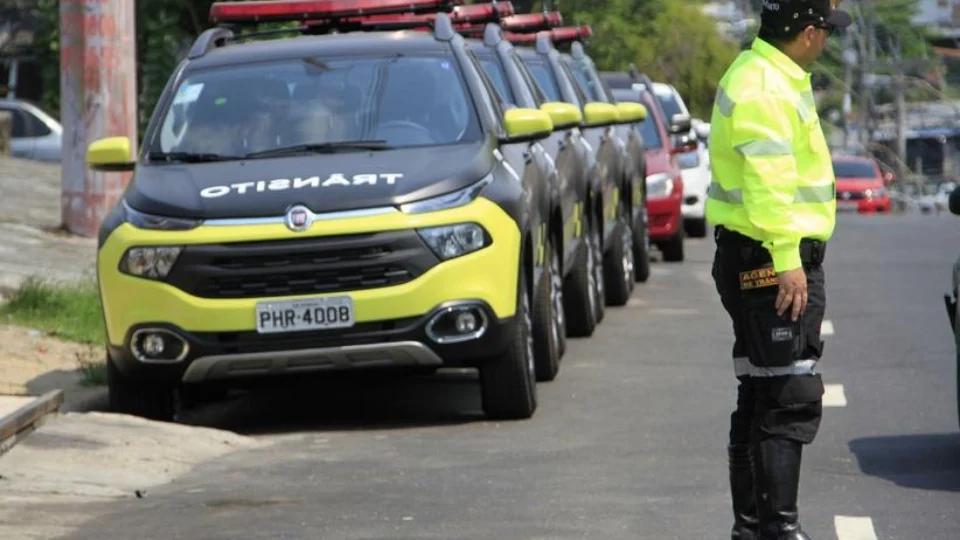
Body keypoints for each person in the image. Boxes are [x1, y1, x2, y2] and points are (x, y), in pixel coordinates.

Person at [705, 1, 851, 539]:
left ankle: (753, 530)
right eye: (827, 32)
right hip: (771, 258)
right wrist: (788, 262)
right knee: (788, 393)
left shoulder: (766, 73)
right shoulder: (765, 86)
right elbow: (768, 187)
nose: (828, 42)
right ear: (809, 33)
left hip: (755, 254)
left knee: (762, 392)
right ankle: (777, 532)